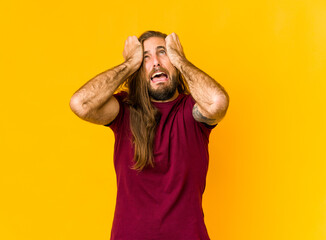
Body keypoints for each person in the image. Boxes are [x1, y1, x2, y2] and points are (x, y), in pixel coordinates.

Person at [69, 30, 229, 240]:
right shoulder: (125, 111)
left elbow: (218, 103)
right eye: (145, 57)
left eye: (163, 53)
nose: (155, 62)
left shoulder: (192, 110)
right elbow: (80, 104)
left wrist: (181, 60)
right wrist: (128, 65)